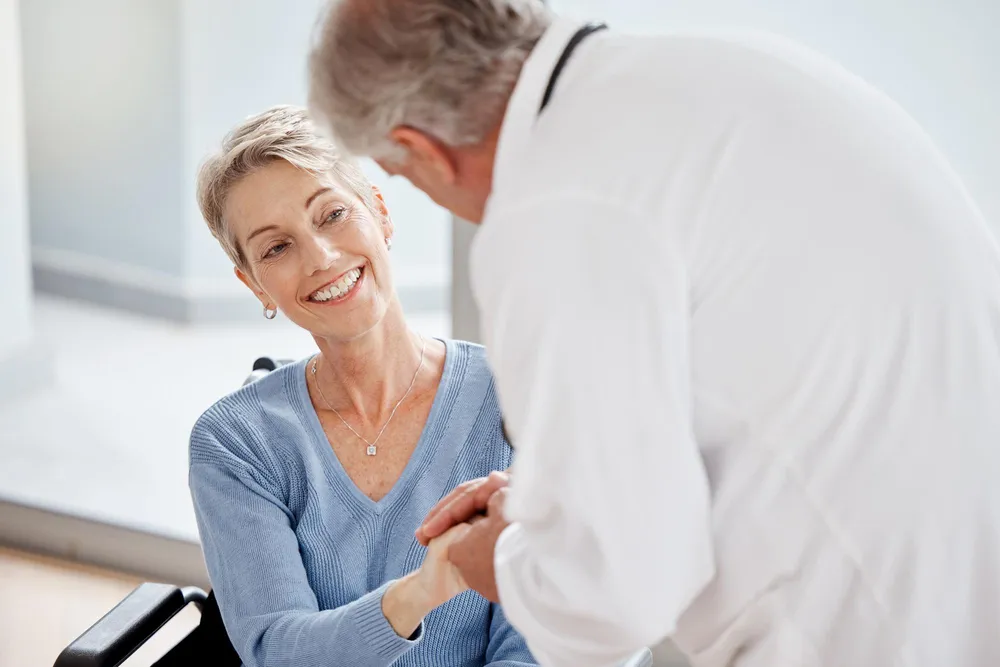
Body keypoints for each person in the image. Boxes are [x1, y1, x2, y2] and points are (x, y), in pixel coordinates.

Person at [307, 1, 1000, 666]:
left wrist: (493, 559)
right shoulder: (717, 74)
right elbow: (773, 373)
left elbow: (613, 599)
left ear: (420, 151)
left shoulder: (553, 211)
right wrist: (563, 493)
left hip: (869, 625)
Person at [189, 105, 537, 667]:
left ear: (379, 212)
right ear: (254, 283)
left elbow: (535, 648)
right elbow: (277, 652)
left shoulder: (516, 396)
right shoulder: (234, 442)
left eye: (331, 214)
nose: (321, 257)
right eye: (276, 248)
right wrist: (423, 589)